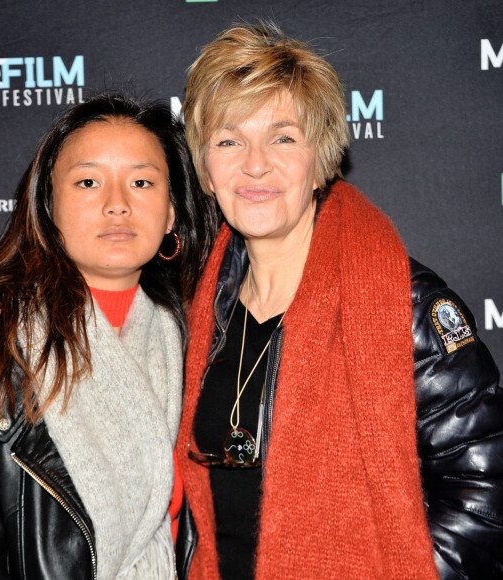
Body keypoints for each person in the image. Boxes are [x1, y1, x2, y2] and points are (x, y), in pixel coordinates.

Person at [175, 23, 503, 580]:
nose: (255, 163)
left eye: (282, 137)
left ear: (321, 157)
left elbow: (487, 497)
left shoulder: (409, 307)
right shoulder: (197, 314)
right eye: (229, 140)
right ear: (206, 168)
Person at [0, 93, 217, 579]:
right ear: (49, 207)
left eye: (142, 182)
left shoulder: (197, 348)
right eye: (88, 182)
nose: (117, 204)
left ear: (169, 214)